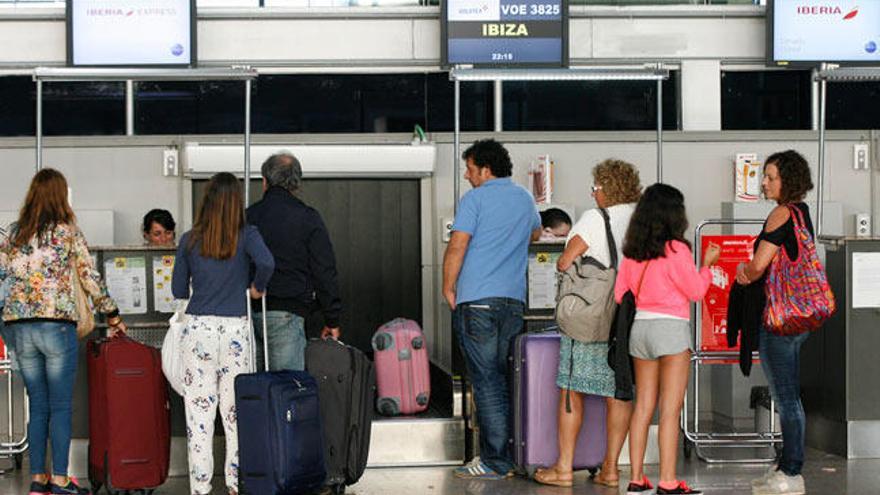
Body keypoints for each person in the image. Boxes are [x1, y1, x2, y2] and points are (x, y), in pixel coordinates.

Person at [0, 168, 126, 495]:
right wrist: (111, 314)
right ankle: (59, 479)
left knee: (37, 404)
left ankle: (37, 480)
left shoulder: (13, 234)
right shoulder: (66, 232)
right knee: (59, 405)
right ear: (60, 197)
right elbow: (88, 275)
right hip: (56, 325)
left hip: (20, 328)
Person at [534, 159, 642, 488]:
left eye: (595, 187)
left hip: (590, 317)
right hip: (626, 319)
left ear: (607, 189)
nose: (593, 193)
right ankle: (611, 469)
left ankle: (564, 468)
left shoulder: (595, 219)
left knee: (571, 391)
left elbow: (565, 261)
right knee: (619, 393)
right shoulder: (640, 219)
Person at [443, 139, 541, 480]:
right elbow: (536, 234)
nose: (468, 177)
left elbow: (458, 244)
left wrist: (448, 286)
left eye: (470, 169)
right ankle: (515, 454)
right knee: (506, 379)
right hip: (512, 303)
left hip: (478, 302)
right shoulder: (525, 198)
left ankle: (496, 462)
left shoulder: (475, 199)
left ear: (485, 169)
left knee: (486, 382)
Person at [171, 172, 274, 495]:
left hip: (198, 329)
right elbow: (267, 263)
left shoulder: (189, 239)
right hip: (234, 331)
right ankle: (235, 484)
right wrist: (256, 289)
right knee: (236, 413)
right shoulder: (247, 235)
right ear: (236, 202)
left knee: (199, 415)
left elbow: (177, 288)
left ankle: (201, 489)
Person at [615, 183, 720, 495]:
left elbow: (621, 295)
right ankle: (668, 481)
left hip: (640, 331)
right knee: (671, 410)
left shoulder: (632, 252)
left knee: (643, 405)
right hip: (671, 330)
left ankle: (636, 478)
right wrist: (708, 267)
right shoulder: (678, 250)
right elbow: (696, 292)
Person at [736, 150, 815, 495]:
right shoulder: (801, 213)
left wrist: (743, 273)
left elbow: (758, 265)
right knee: (789, 393)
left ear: (788, 181)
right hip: (802, 315)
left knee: (786, 396)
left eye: (770, 177)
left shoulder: (780, 213)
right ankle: (785, 465)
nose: (764, 183)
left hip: (779, 317)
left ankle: (792, 472)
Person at [247, 151, 342, 371]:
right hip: (287, 315)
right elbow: (324, 270)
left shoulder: (248, 216)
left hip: (247, 316)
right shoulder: (308, 217)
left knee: (253, 391)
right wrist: (332, 318)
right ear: (296, 184)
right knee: (286, 391)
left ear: (264, 182)